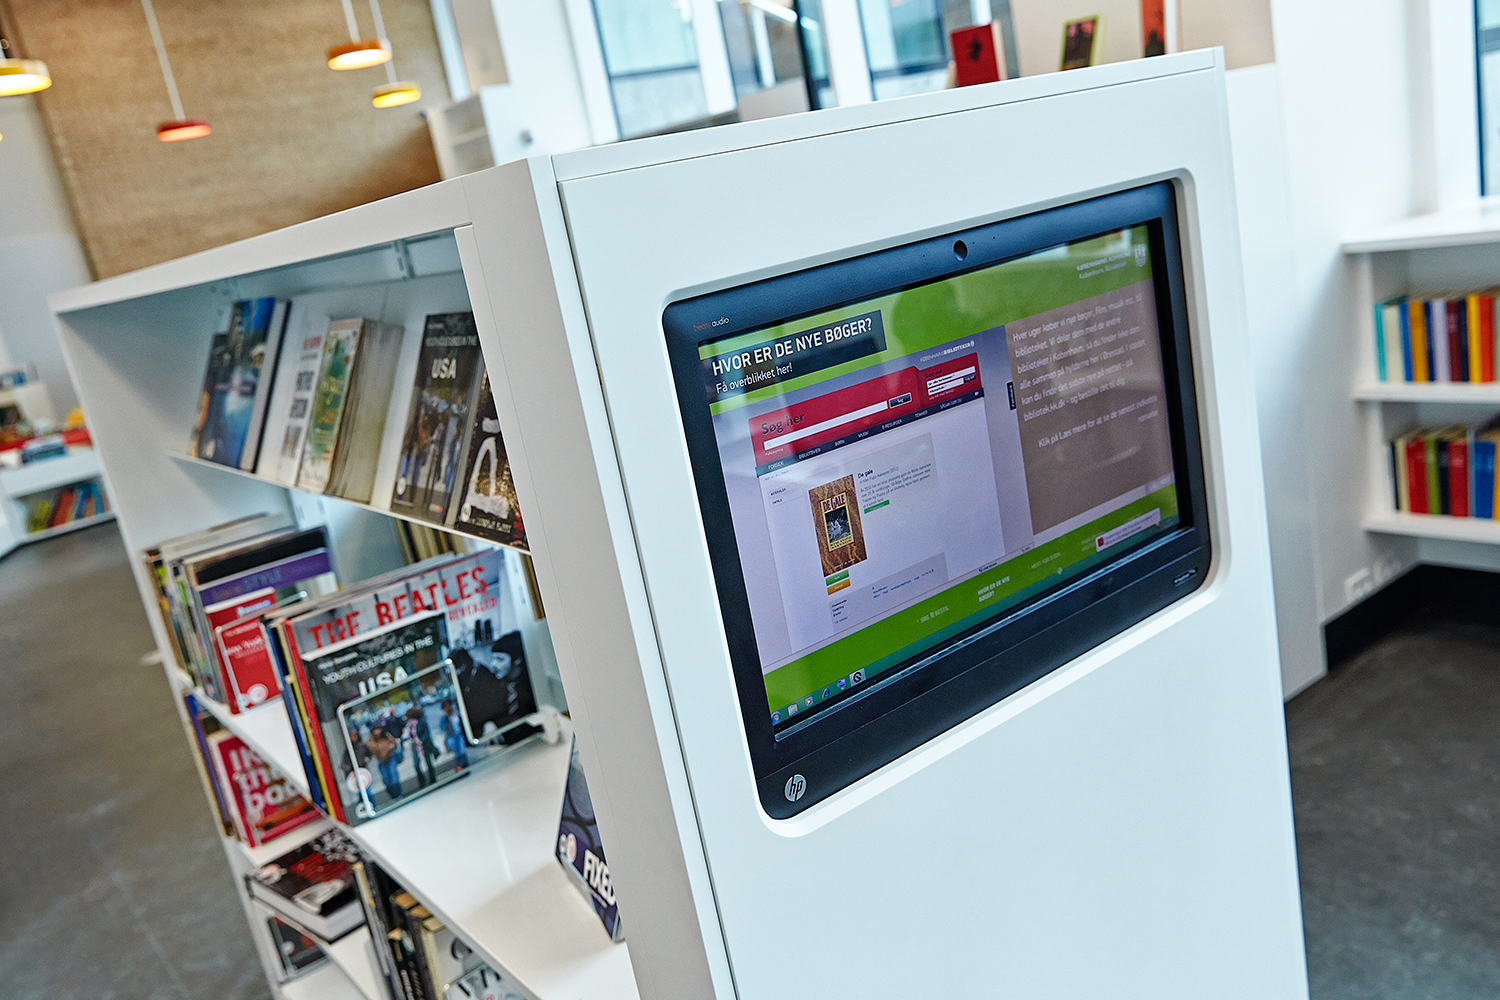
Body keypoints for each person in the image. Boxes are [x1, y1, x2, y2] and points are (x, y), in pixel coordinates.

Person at [365, 725, 402, 802]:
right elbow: (371, 748)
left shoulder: (386, 735)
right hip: (381, 760)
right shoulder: (372, 741)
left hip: (390, 757)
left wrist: (391, 746)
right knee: (386, 778)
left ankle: (398, 793)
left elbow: (394, 742)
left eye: (378, 730)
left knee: (393, 775)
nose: (377, 732)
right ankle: (392, 794)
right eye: (375, 730)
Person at [403, 706, 435, 788]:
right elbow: (408, 736)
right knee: (416, 765)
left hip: (424, 745)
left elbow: (427, 733)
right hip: (415, 747)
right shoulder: (409, 725)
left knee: (428, 762)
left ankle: (432, 779)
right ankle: (422, 782)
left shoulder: (421, 722)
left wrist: (420, 741)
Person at [439, 698, 469, 771]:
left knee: (462, 750)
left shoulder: (456, 715)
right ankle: (460, 766)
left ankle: (465, 765)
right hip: (451, 737)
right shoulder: (444, 718)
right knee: (456, 753)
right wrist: (445, 717)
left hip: (459, 735)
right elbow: (442, 728)